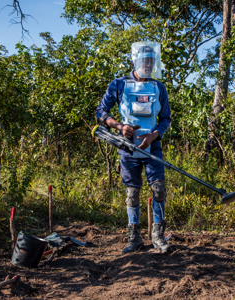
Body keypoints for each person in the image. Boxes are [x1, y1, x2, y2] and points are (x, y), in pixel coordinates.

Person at [95, 41, 172, 254]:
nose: (147, 65)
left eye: (151, 61)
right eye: (144, 61)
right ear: (136, 61)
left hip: (152, 145)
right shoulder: (118, 85)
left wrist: (154, 134)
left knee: (158, 188)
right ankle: (134, 237)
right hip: (128, 146)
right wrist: (120, 126)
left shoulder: (159, 87)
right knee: (132, 191)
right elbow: (101, 112)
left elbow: (165, 118)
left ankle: (157, 236)